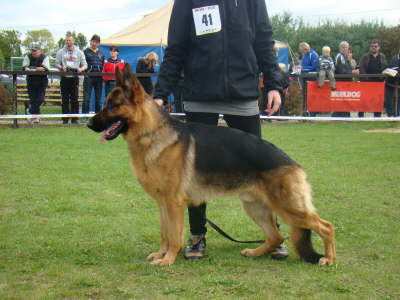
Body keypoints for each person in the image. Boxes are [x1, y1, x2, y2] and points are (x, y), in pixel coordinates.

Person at [153, 0, 287, 261]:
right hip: (200, 94)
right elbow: (177, 47)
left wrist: (273, 83)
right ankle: (196, 235)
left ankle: (273, 235)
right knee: (192, 171)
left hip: (243, 92)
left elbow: (263, 40)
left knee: (258, 168)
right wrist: (160, 92)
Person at [56, 33, 87, 124]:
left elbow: (85, 65)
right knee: (64, 99)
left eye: (70, 40)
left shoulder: (79, 52)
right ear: (65, 41)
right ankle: (65, 119)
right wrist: (62, 67)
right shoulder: (60, 52)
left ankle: (74, 118)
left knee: (74, 99)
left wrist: (80, 69)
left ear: (73, 41)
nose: (68, 42)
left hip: (74, 78)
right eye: (67, 40)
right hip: (64, 77)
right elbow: (56, 63)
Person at [22, 42, 50, 123]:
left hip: (42, 81)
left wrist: (33, 68)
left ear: (39, 50)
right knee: (33, 99)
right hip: (31, 81)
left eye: (35, 50)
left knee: (40, 98)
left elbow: (46, 68)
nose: (33, 52)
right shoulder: (27, 57)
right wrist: (36, 69)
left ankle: (29, 111)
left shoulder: (45, 57)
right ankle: (36, 118)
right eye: (32, 50)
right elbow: (24, 68)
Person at [358, 40, 387, 117]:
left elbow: (385, 67)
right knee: (364, 100)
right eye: (372, 46)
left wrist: (383, 77)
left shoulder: (382, 57)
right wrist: (365, 78)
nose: (374, 48)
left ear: (379, 47)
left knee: (377, 101)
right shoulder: (365, 57)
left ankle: (377, 117)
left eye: (375, 46)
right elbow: (361, 68)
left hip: (379, 83)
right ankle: (360, 117)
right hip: (367, 82)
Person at [332, 41, 359, 117]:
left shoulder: (345, 57)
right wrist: (353, 71)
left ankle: (344, 115)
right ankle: (339, 116)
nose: (345, 49)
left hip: (345, 82)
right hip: (341, 82)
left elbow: (347, 68)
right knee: (341, 99)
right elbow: (341, 70)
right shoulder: (340, 57)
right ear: (340, 48)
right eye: (343, 47)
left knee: (344, 99)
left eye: (346, 47)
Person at [83, 35, 105, 116]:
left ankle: (98, 117)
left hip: (99, 78)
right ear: (90, 41)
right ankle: (84, 117)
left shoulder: (101, 54)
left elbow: (103, 66)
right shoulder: (85, 52)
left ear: (99, 43)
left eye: (97, 42)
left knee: (98, 100)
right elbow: (82, 64)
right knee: (86, 99)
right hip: (88, 77)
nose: (95, 43)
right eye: (93, 41)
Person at [299, 42, 319, 116]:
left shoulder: (313, 54)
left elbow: (314, 66)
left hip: (312, 77)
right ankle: (305, 113)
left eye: (303, 50)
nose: (302, 52)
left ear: (306, 48)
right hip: (304, 77)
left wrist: (303, 68)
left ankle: (312, 113)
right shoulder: (304, 55)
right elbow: (303, 65)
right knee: (304, 95)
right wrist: (299, 68)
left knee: (311, 95)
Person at [385, 50, 400, 116]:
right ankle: (390, 117)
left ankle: (398, 116)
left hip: (398, 84)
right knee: (390, 102)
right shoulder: (394, 58)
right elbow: (393, 69)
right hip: (390, 84)